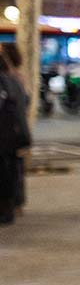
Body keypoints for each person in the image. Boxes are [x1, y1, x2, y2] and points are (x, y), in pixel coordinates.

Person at [0, 49, 30, 224]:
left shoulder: (4, 82)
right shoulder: (15, 80)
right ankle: (11, 206)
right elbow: (26, 101)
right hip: (16, 135)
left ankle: (6, 211)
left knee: (5, 174)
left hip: (4, 138)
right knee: (11, 172)